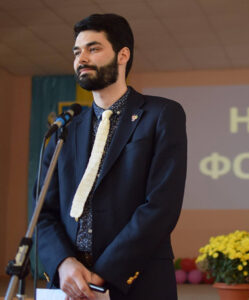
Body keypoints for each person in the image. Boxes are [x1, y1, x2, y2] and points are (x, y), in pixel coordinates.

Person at [36, 13, 187, 300]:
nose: (82, 58)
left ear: (123, 55)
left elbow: (160, 207)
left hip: (138, 282)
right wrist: (64, 264)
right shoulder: (64, 128)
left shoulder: (162, 115)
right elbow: (43, 211)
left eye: (93, 49)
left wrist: (102, 274)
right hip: (69, 284)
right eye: (77, 52)